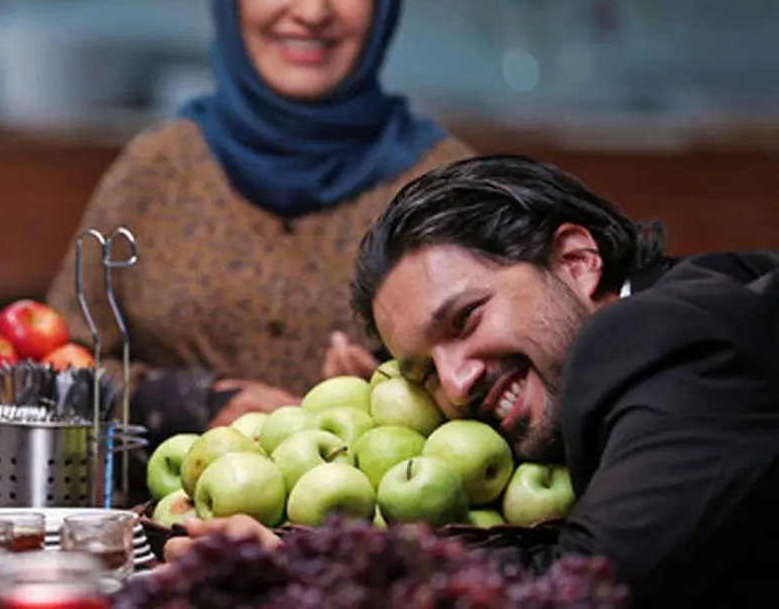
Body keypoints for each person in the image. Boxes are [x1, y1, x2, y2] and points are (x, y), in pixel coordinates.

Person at [165, 154, 779, 609]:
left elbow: (579, 589)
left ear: (576, 259)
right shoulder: (710, 290)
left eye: (466, 318)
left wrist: (302, 574)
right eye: (425, 372)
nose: (456, 385)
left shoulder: (651, 336)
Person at [45, 0, 472, 458]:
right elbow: (54, 369)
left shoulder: (445, 187)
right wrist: (193, 402)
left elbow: (503, 385)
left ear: (383, 1)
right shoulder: (157, 168)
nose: (312, 8)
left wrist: (393, 396)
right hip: (161, 512)